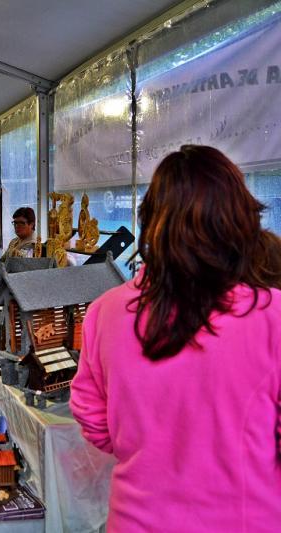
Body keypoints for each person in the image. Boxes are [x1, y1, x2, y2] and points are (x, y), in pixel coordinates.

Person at [70, 145, 281, 531]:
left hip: (137, 519)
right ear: (241, 219)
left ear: (152, 221)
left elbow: (94, 421)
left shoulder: (104, 312)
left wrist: (152, 451)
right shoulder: (273, 315)